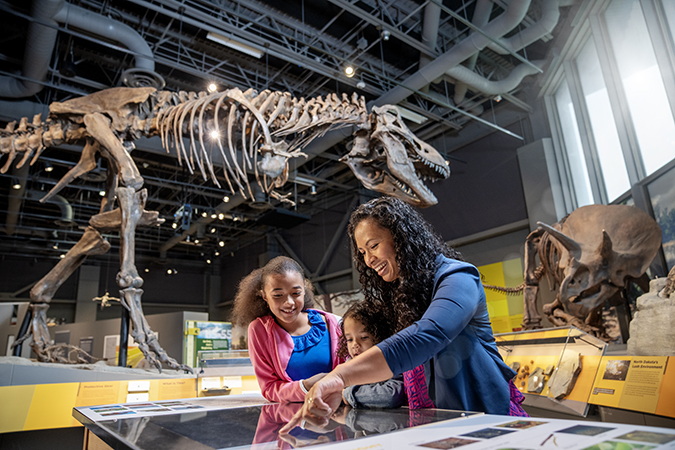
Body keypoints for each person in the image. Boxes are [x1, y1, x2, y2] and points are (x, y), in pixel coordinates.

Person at [281, 196, 526, 432]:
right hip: (435, 426)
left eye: (374, 246)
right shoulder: (401, 296)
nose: (369, 260)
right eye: (363, 252)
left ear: (400, 238)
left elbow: (429, 334)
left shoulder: (459, 277)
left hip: (487, 422)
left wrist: (339, 377)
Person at [232, 255, 344, 402]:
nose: (289, 302)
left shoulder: (333, 323)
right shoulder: (259, 330)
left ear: (305, 290)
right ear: (264, 296)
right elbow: (269, 388)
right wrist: (305, 387)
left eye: (296, 293)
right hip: (290, 419)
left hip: (337, 415)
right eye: (278, 295)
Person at [337, 299, 405, 409]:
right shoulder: (348, 365)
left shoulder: (391, 361)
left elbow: (391, 396)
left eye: (364, 337)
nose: (355, 344)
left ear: (380, 336)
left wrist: (348, 394)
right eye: (349, 339)